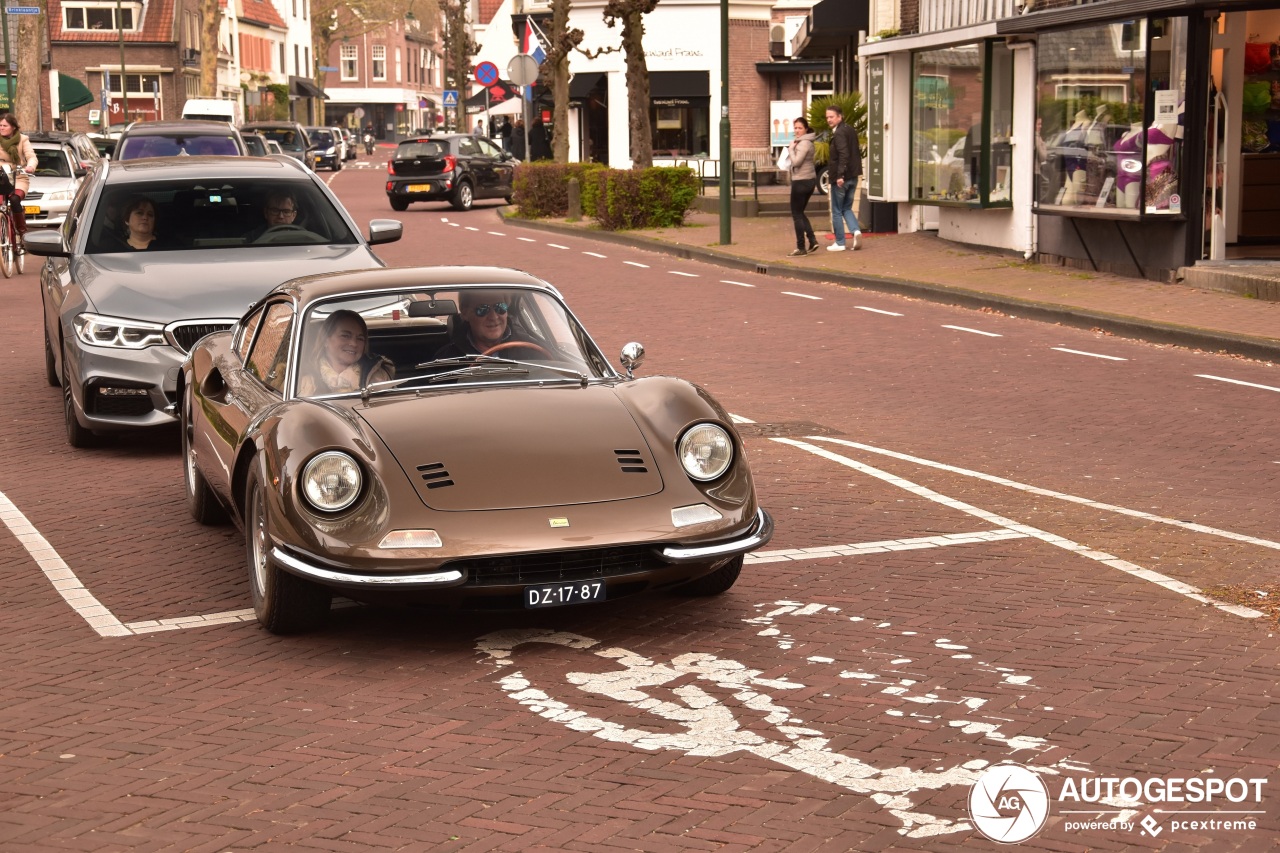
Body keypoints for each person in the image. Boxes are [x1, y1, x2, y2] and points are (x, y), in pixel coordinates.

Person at [298, 309, 394, 396]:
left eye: (360, 338)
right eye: (345, 336)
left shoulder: (378, 376)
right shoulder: (302, 378)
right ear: (326, 340)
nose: (353, 343)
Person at [434, 291, 533, 358]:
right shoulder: (446, 359)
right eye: (482, 309)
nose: (493, 317)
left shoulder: (530, 349)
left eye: (500, 307)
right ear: (465, 313)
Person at [825, 104, 863, 252]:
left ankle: (840, 242)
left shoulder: (839, 133)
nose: (829, 119)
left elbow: (844, 154)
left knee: (836, 210)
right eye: (827, 117)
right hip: (853, 176)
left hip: (842, 178)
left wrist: (840, 175)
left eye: (832, 117)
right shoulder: (850, 130)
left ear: (840, 117)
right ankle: (856, 231)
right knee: (847, 207)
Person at [0, 113, 38, 238]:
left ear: (13, 127)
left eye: (5, 125)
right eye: (0, 125)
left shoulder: (23, 139)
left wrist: (30, 166)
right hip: (1, 176)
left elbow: (31, 156)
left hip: (18, 176)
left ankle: (22, 233)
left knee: (14, 199)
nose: (1, 128)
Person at [786, 117, 820, 256]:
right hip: (810, 180)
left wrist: (790, 150)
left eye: (800, 128)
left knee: (796, 214)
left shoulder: (803, 143)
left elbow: (796, 162)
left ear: (806, 129)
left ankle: (801, 247)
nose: (797, 130)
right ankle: (812, 241)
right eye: (795, 128)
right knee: (800, 212)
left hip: (801, 181)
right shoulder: (807, 142)